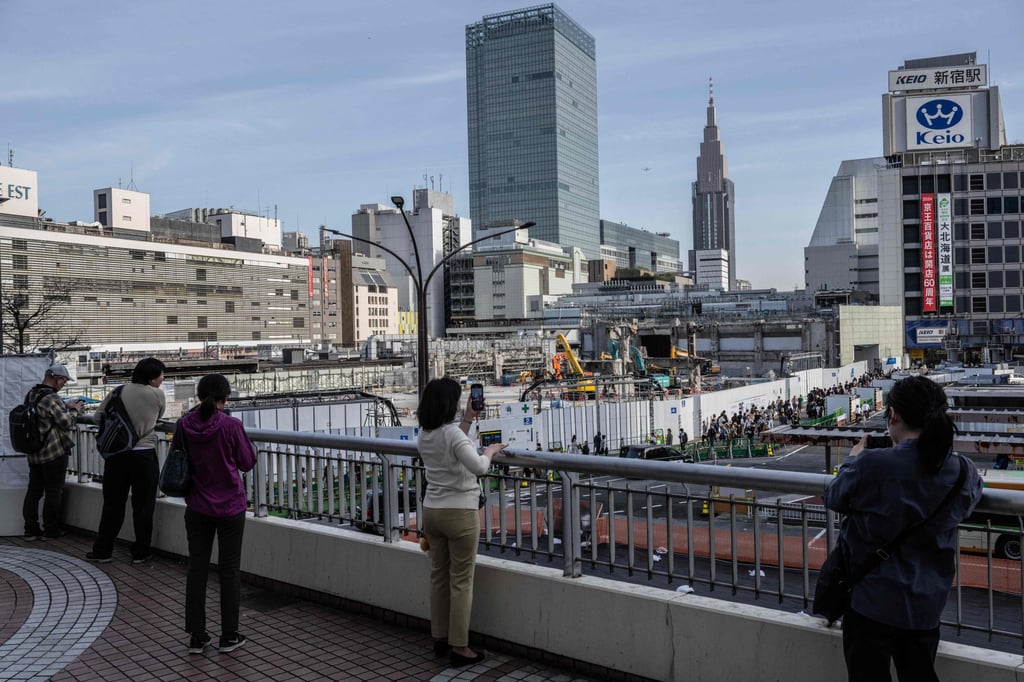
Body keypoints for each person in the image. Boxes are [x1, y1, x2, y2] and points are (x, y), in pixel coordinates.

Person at [824, 375, 982, 682]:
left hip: (871, 603)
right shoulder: (963, 470)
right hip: (926, 606)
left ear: (893, 415)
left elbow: (835, 496)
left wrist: (850, 463)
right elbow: (968, 502)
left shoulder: (872, 465)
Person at [418, 378, 506, 667]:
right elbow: (478, 466)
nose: (459, 404)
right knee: (461, 581)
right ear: (448, 404)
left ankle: (440, 638)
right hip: (460, 513)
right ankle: (460, 647)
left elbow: (453, 447)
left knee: (438, 576)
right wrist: (490, 452)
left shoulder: (426, 434)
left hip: (432, 511)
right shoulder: (452, 435)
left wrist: (468, 419)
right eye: (457, 401)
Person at [182, 374, 256, 655]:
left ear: (200, 396)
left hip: (197, 506)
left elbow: (179, 458)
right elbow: (247, 462)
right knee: (229, 570)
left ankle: (197, 636)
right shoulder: (231, 425)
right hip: (230, 508)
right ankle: (229, 635)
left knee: (197, 569)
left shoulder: (185, 424)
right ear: (226, 398)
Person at [88, 358, 167, 564]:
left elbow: (98, 418)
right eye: (161, 375)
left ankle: (102, 551)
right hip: (144, 455)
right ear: (152, 378)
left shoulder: (117, 391)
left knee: (113, 504)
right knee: (143, 505)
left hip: (117, 456)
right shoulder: (157, 394)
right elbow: (159, 416)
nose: (162, 378)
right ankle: (140, 552)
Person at [22, 365, 84, 540]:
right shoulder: (51, 397)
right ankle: (51, 529)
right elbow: (66, 422)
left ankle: (30, 529)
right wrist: (74, 410)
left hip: (34, 452)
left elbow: (43, 413)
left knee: (34, 491)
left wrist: (64, 404)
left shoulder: (32, 394)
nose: (63, 384)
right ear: (57, 378)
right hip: (53, 452)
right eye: (64, 381)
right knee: (53, 491)